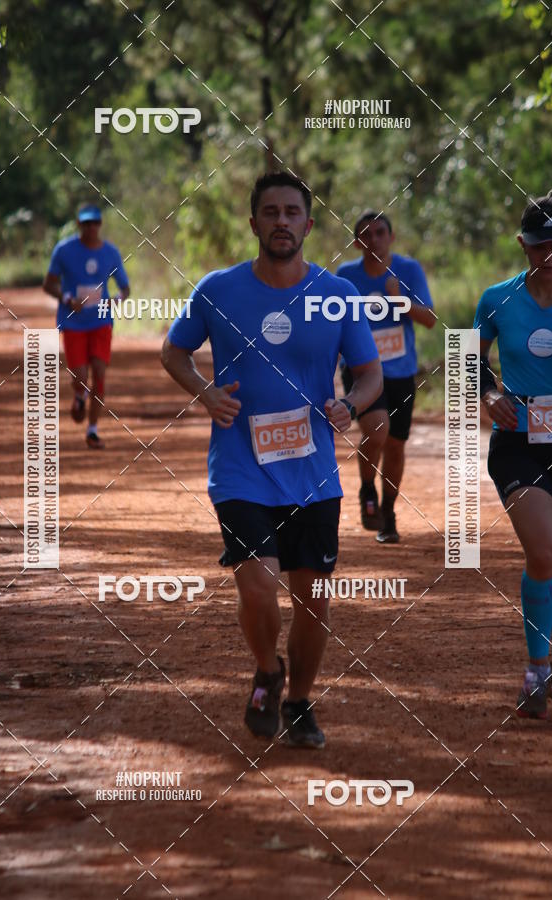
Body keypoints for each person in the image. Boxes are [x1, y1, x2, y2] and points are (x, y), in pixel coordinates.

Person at [161, 172, 382, 748]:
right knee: (257, 587)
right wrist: (206, 393)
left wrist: (349, 406)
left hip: (313, 475)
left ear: (308, 224)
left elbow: (370, 375)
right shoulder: (218, 289)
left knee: (313, 601)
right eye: (270, 212)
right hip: (240, 469)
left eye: (291, 212)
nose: (281, 221)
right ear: (253, 222)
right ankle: (267, 669)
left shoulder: (339, 294)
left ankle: (300, 703)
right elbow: (174, 351)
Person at [475, 191, 552, 719]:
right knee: (544, 553)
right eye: (541, 246)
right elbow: (469, 358)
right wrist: (487, 395)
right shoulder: (497, 299)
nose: (550, 256)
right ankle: (537, 670)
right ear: (523, 245)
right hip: (520, 442)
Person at [335, 211, 435, 542]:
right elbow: (334, 323)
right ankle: (367, 488)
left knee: (395, 444)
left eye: (380, 232)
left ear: (391, 238)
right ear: (356, 243)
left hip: (400, 371)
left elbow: (430, 319)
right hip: (361, 369)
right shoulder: (346, 276)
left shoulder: (408, 270)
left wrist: (399, 300)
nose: (373, 239)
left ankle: (388, 510)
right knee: (377, 429)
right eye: (365, 234)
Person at [43, 203, 130, 448]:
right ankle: (80, 393)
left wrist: (116, 300)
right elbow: (49, 284)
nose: (91, 227)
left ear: (100, 224)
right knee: (81, 376)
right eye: (86, 223)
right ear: (79, 224)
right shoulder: (64, 250)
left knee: (100, 374)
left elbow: (125, 289)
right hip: (73, 322)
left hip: (101, 321)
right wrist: (67, 299)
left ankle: (92, 430)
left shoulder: (111, 253)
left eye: (95, 223)